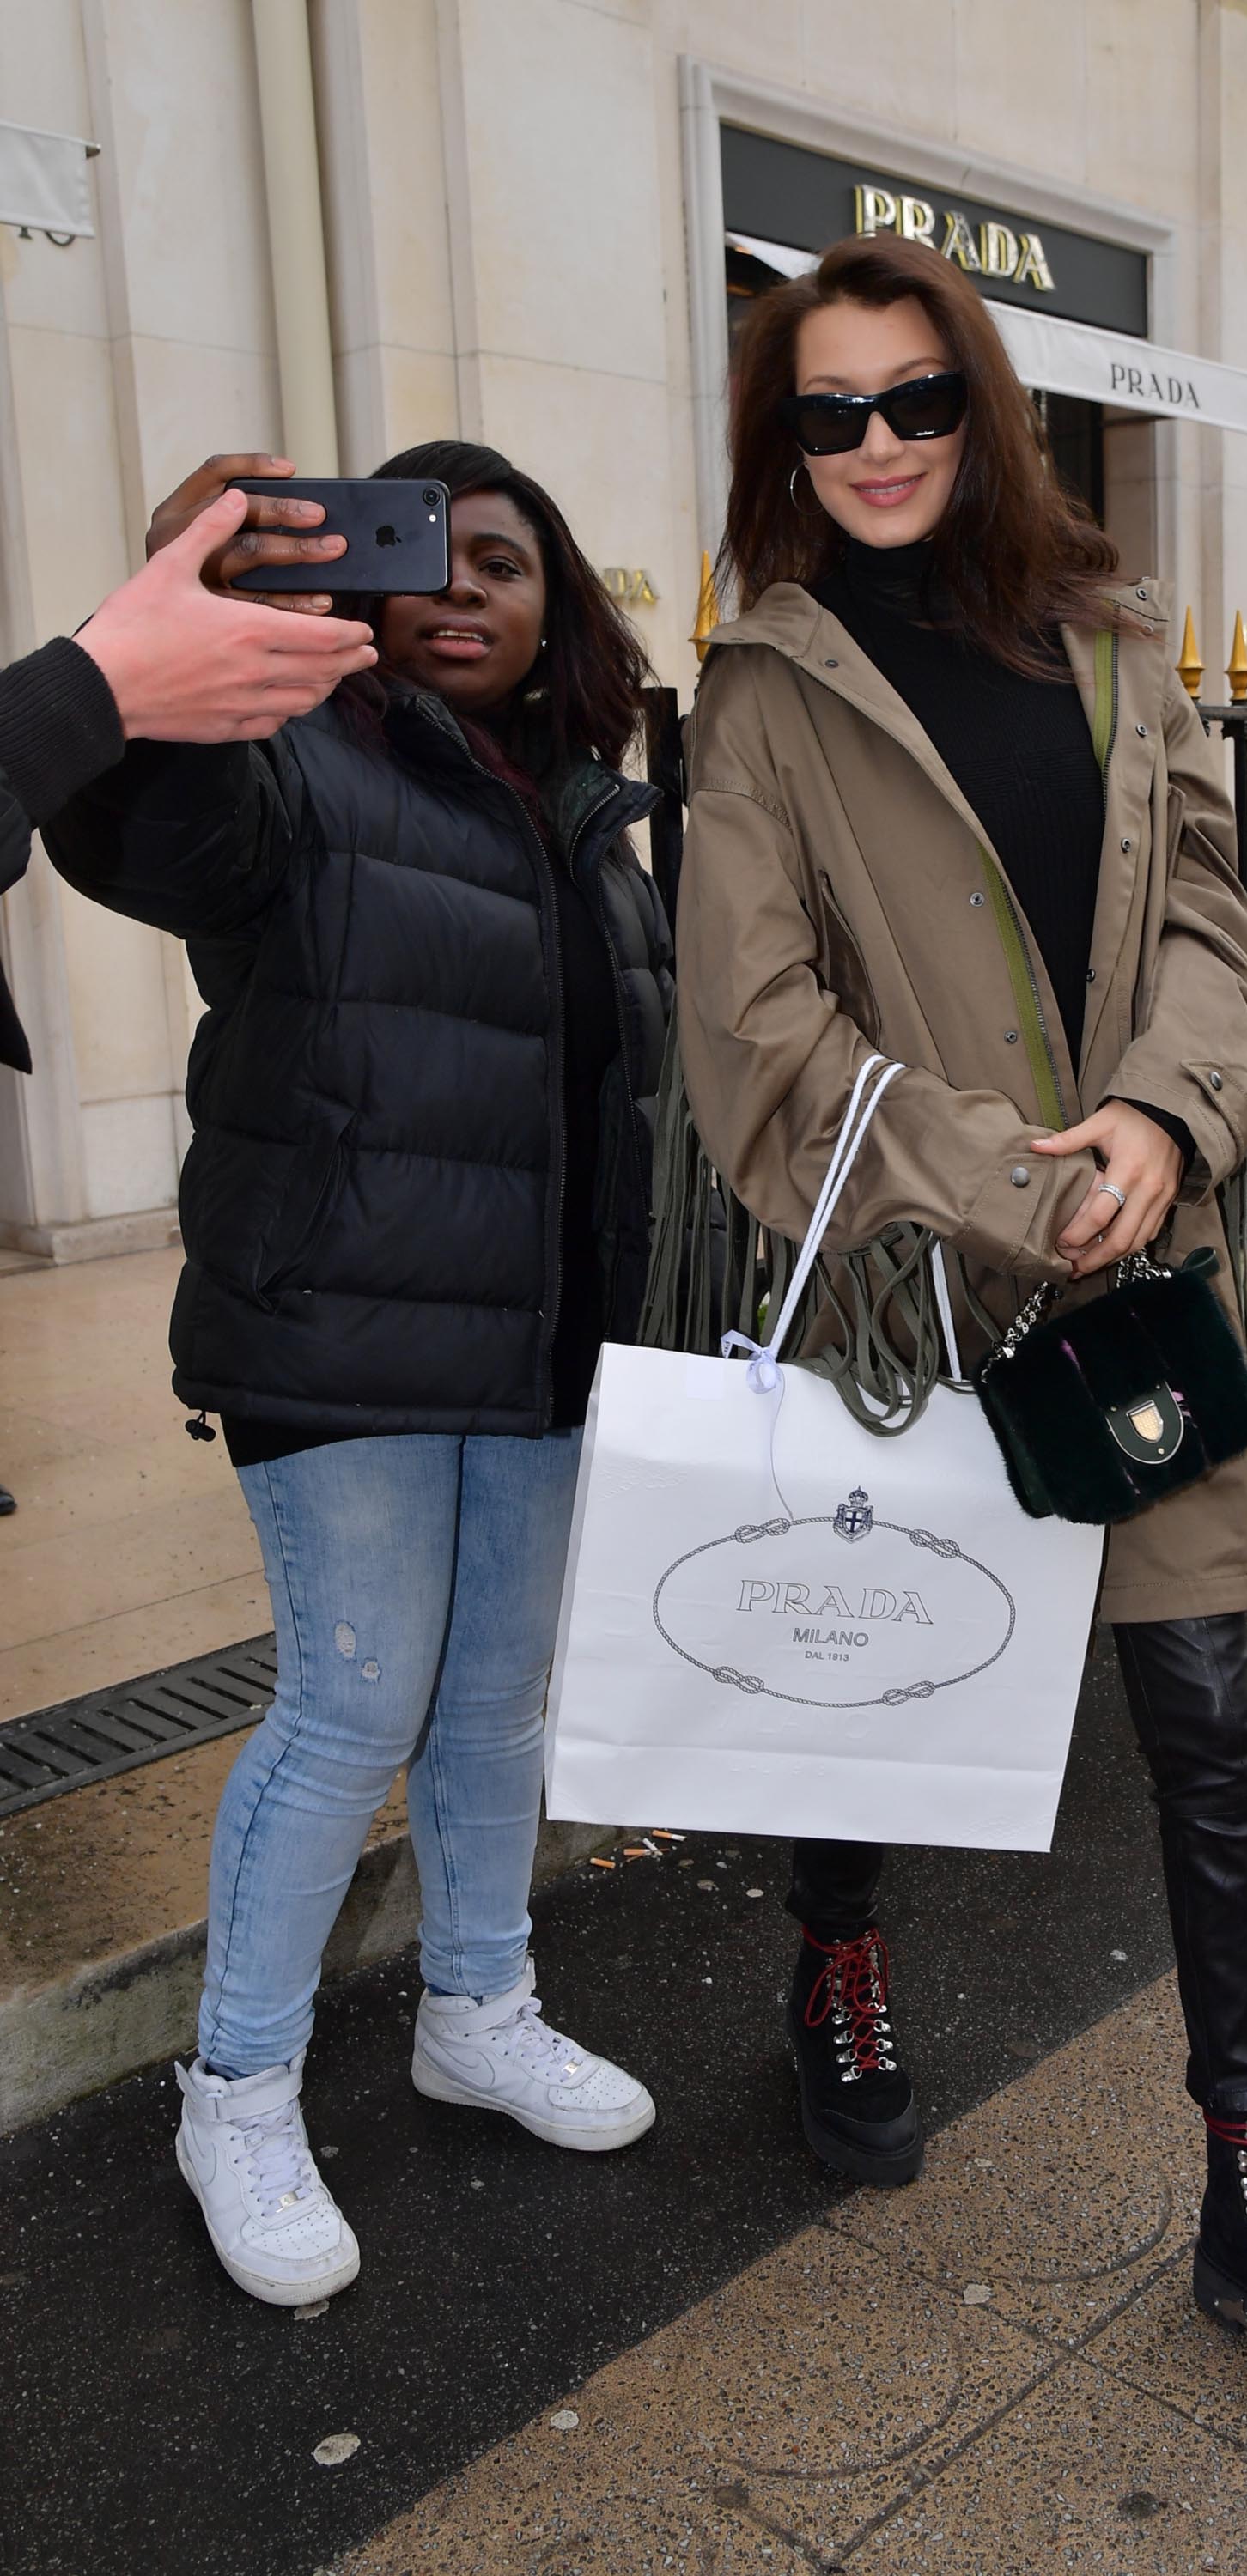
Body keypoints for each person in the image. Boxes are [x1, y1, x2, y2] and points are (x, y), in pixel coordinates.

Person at [672, 236, 1247, 2442]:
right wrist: (1019, 1175)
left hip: (1142, 1289)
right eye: (829, 412)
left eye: (915, 400)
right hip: (920, 1281)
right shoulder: (765, 696)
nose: (879, 444)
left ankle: (1246, 2175)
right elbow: (753, 1038)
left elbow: (1206, 924)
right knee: (862, 1673)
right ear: (782, 444)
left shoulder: (1112, 645)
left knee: (1201, 1722)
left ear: (979, 409)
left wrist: (1161, 1123)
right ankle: (834, 1963)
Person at [45, 444, 671, 2310]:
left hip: (542, 1339)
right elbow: (138, 831)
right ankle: (235, 2089)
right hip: (342, 1327)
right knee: (349, 1706)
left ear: (558, 598)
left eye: (506, 561)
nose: (463, 590)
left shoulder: (587, 812)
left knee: (493, 1704)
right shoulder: (294, 757)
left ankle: (477, 2005)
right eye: (427, 558)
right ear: (365, 590)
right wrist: (185, 620)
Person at [0, 487, 378, 1517]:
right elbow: (180, 857)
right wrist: (107, 681)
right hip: (332, 1350)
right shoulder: (301, 778)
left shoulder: (583, 807)